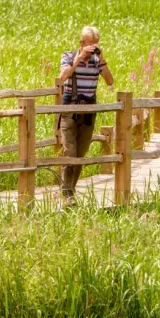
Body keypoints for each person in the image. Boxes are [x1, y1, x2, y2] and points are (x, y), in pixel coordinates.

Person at [57, 26, 114, 205]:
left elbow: (110, 81)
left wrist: (102, 59)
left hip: (89, 111)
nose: (93, 49)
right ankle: (66, 193)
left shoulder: (98, 61)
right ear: (82, 43)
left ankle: (70, 191)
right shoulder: (68, 56)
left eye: (96, 45)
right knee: (70, 152)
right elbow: (62, 77)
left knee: (80, 154)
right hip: (70, 110)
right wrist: (78, 60)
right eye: (90, 45)